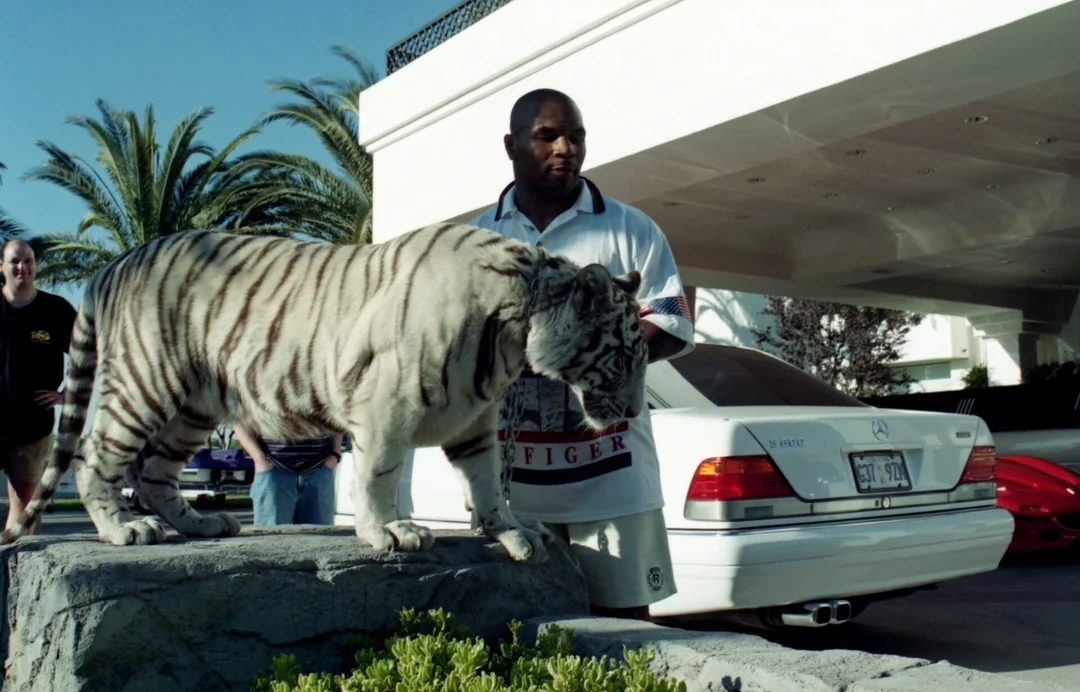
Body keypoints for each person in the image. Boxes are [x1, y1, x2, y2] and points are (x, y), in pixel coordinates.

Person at [469, 88, 695, 621]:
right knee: (519, 632)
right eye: (547, 136)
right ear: (512, 145)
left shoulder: (631, 227)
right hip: (513, 489)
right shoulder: (482, 236)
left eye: (576, 136)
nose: (565, 148)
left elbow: (670, 321)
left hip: (613, 478)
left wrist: (586, 353)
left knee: (625, 634)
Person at [0, 239, 77, 534]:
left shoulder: (55, 310)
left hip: (33, 425)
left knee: (25, 503)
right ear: (2, 267)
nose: (23, 267)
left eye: (29, 261)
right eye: (16, 261)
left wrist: (67, 394)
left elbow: (92, 355)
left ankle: (17, 571)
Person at [233, 424, 342, 526]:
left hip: (319, 471)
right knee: (272, 539)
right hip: (274, 473)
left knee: (321, 540)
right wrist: (259, 459)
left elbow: (337, 415)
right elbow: (240, 422)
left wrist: (335, 455)